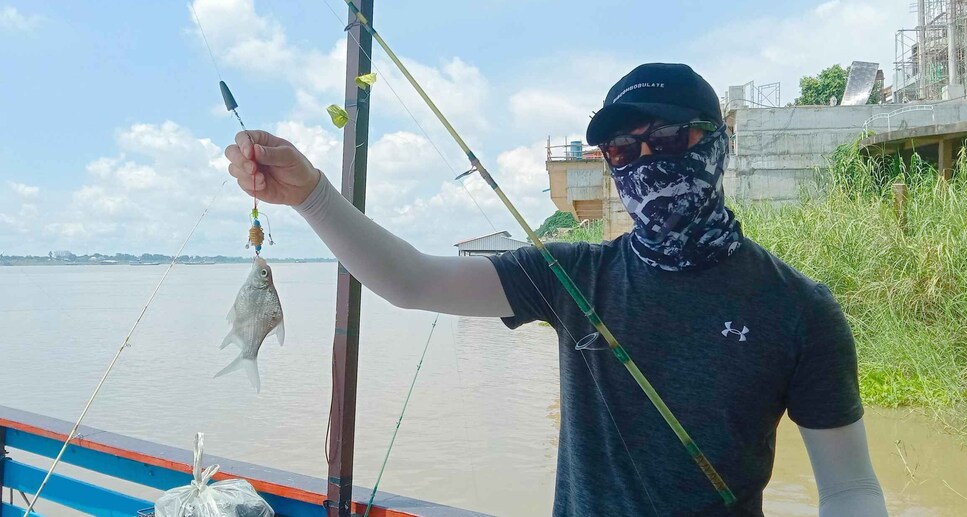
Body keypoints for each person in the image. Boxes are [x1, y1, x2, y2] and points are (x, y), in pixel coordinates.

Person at [225, 63, 887, 516]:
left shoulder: (799, 309)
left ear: (719, 144)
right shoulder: (574, 276)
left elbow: (851, 486)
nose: (646, 161)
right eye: (624, 151)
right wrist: (311, 194)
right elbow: (411, 279)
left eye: (668, 137)